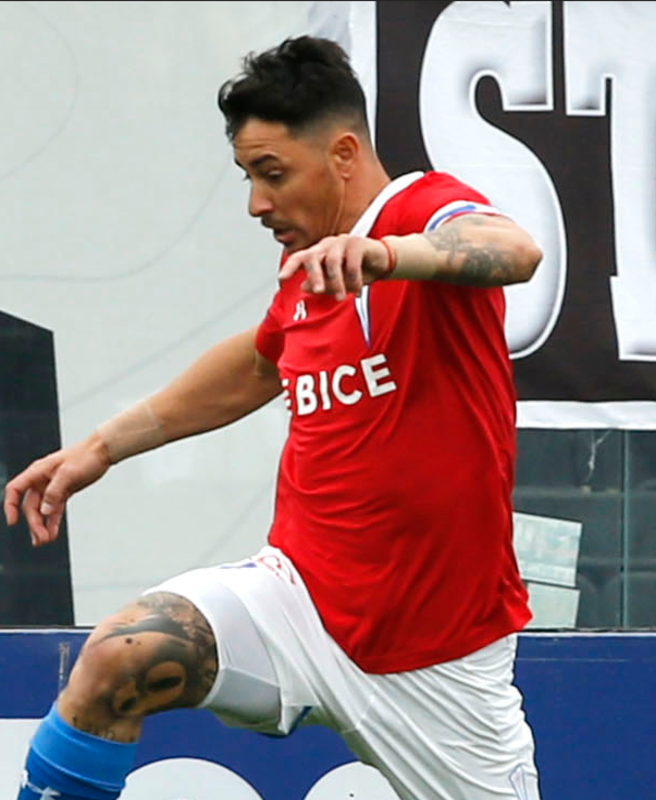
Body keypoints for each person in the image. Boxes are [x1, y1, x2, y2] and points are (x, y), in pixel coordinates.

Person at [3, 36, 543, 800]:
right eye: (248, 176)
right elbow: (261, 361)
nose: (257, 202)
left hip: (438, 656)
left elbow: (513, 249)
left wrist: (387, 257)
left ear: (345, 153)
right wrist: (100, 447)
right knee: (118, 657)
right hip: (295, 605)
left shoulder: (416, 212)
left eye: (272, 173)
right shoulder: (312, 263)